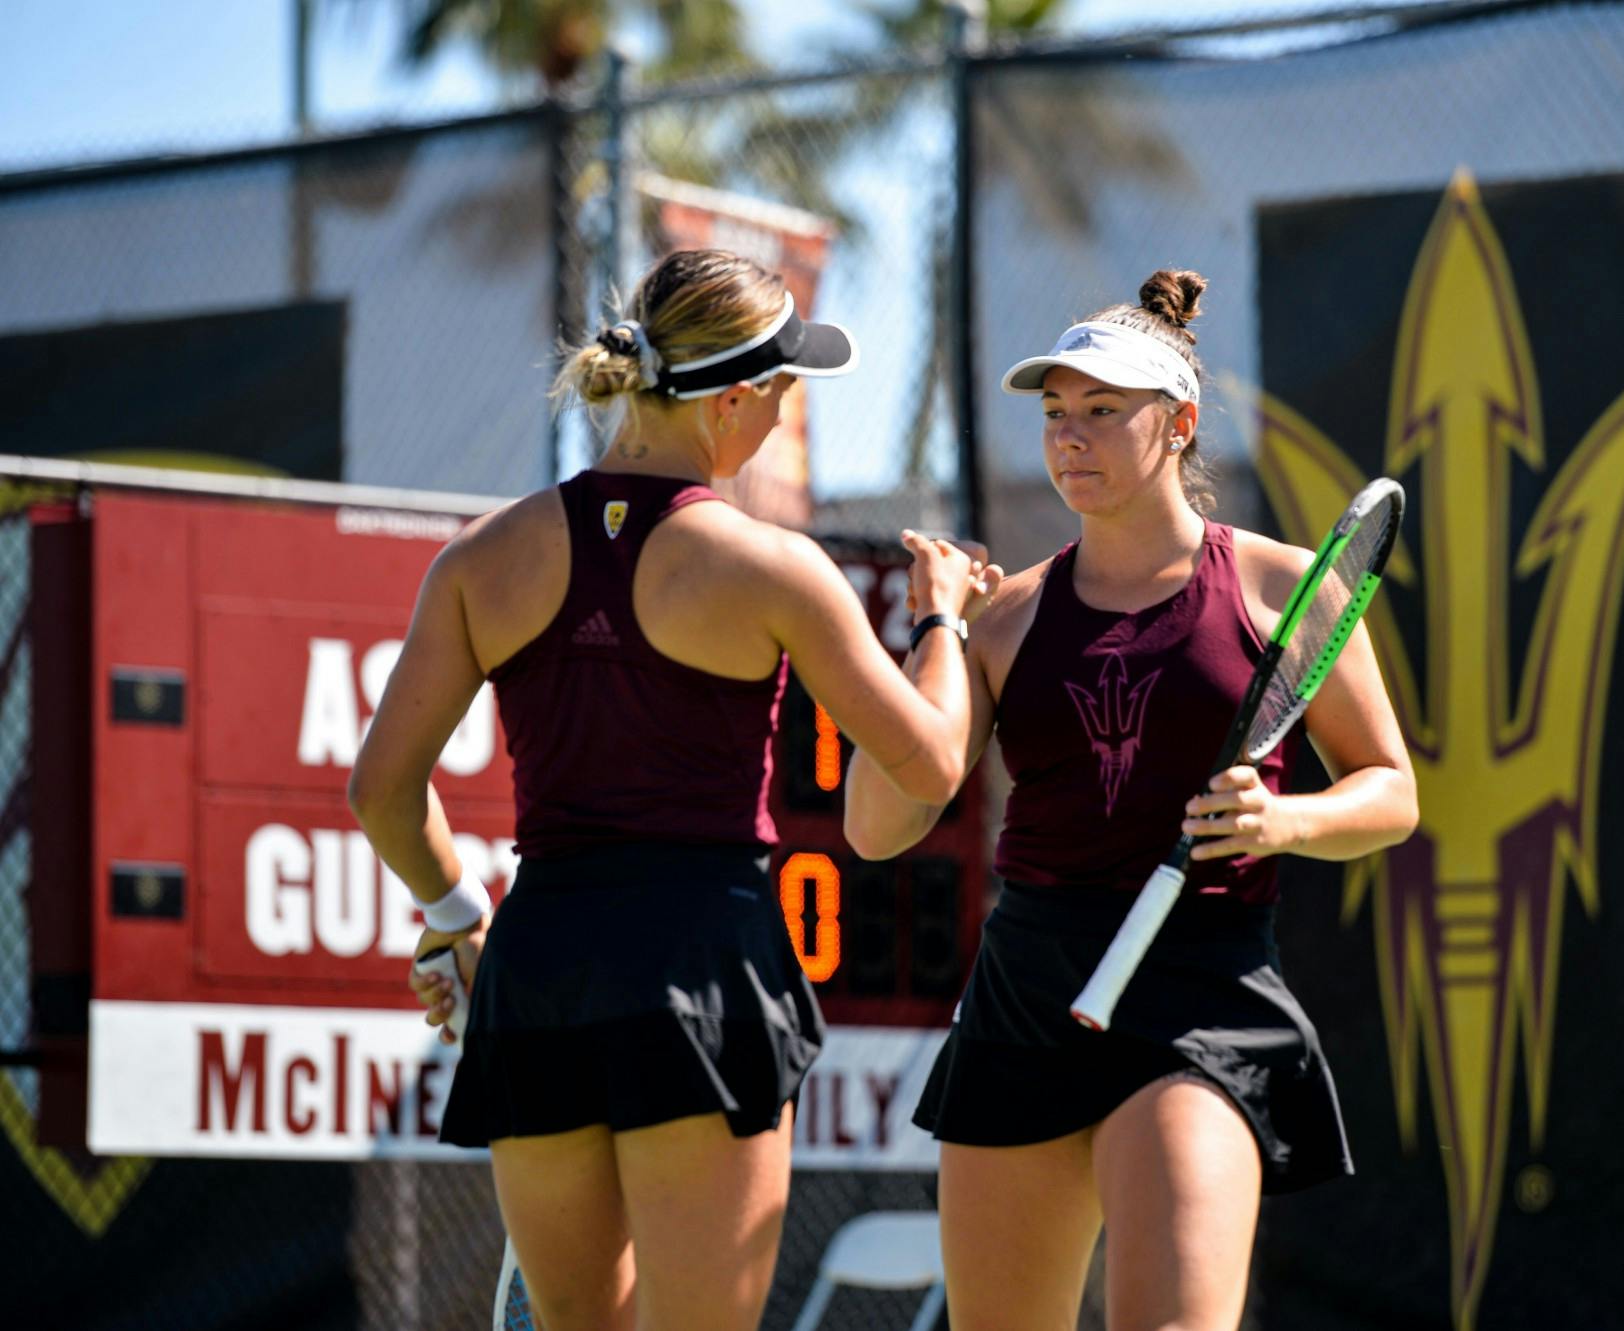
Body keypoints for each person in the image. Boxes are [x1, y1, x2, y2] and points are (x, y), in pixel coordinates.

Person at [347, 248, 999, 1331]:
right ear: (734, 401)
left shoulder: (478, 560)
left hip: (539, 968)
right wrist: (941, 619)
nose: (781, 418)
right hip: (706, 966)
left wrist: (454, 920)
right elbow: (928, 761)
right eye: (782, 397)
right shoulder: (772, 565)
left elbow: (382, 789)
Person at [844, 269, 1419, 1331]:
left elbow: (1390, 791)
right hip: (1024, 998)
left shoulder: (1278, 584)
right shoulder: (1005, 618)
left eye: (1102, 410)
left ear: (1178, 422)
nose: (1069, 435)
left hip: (1201, 994)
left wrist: (1282, 819)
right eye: (1056, 412)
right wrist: (934, 629)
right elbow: (877, 826)